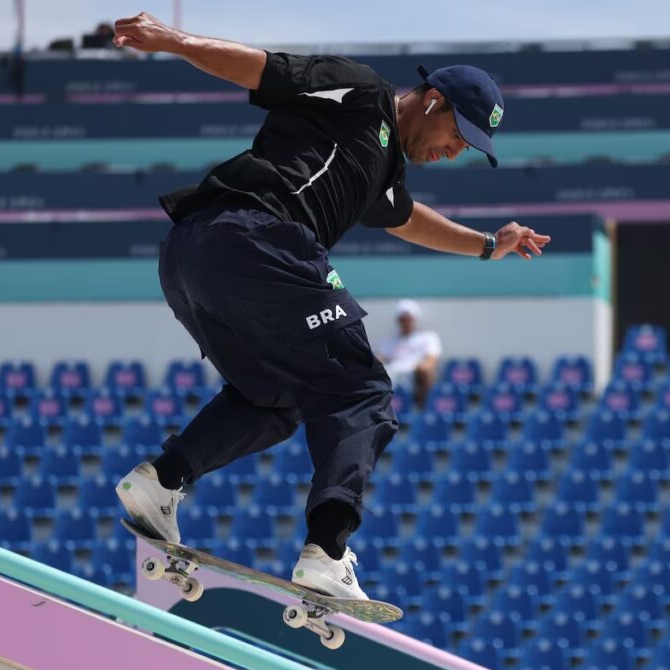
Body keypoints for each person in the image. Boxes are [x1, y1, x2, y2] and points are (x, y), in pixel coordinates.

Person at [111, 12, 550, 601]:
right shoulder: (360, 91)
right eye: (458, 135)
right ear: (432, 100)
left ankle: (160, 481)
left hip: (193, 260)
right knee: (362, 391)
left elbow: (405, 218)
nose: (455, 151)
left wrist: (488, 245)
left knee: (275, 397)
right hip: (256, 237)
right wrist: (173, 41)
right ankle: (328, 552)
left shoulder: (385, 169)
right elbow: (260, 68)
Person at [377, 300, 442, 408]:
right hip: (393, 375)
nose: (406, 322)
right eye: (403, 319)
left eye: (409, 319)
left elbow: (431, 362)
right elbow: (379, 360)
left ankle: (422, 409)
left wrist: (417, 367)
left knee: (426, 373)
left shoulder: (428, 338)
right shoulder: (389, 341)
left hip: (414, 375)